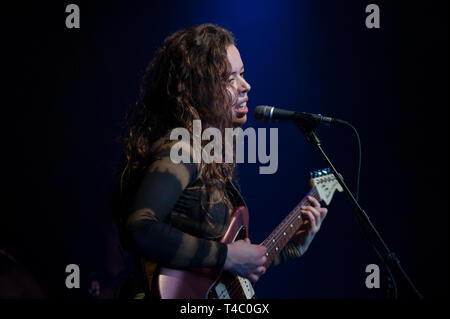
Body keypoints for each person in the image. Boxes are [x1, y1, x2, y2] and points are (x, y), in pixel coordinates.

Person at [114, 24, 328, 299]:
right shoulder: (181, 151)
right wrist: (226, 255)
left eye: (242, 74)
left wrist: (289, 251)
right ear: (197, 89)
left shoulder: (207, 154)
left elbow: (216, 281)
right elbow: (139, 228)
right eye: (229, 79)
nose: (245, 85)